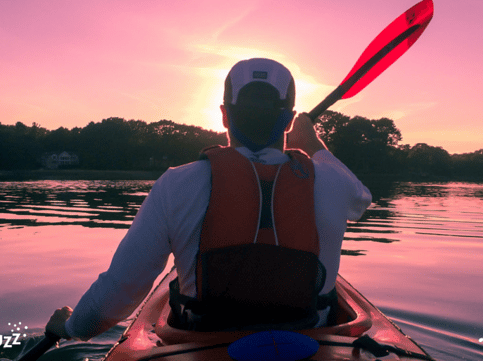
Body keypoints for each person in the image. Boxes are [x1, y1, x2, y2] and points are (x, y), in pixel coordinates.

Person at [45, 58, 371, 339]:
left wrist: (72, 328)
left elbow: (117, 295)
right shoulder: (332, 181)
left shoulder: (177, 183)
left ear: (225, 115)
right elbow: (361, 199)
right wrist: (311, 141)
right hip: (312, 343)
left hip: (205, 342)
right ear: (288, 120)